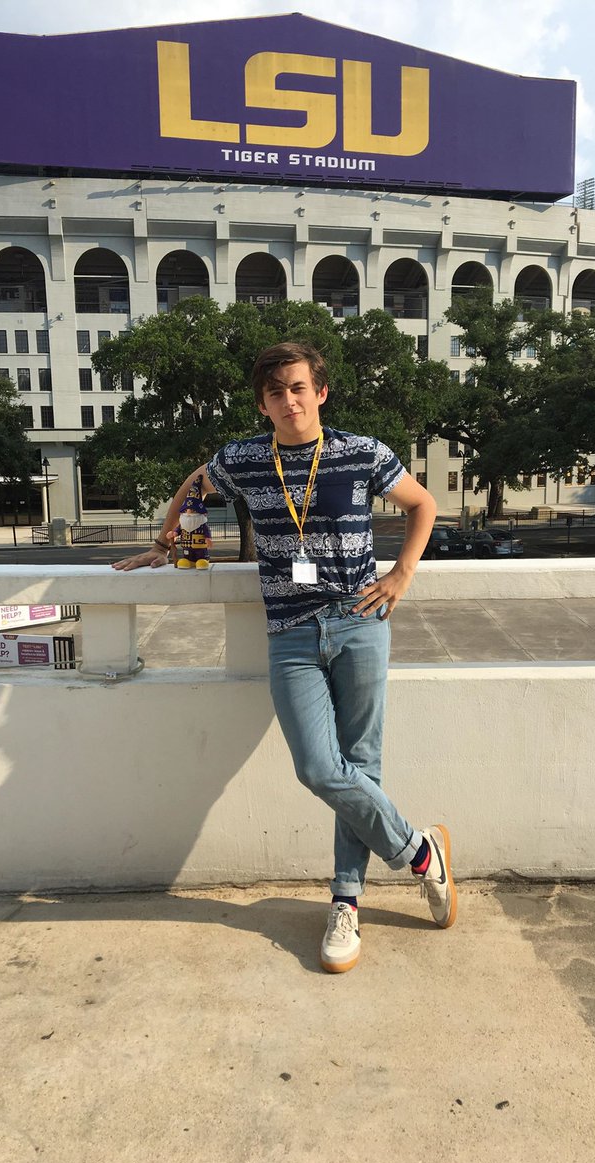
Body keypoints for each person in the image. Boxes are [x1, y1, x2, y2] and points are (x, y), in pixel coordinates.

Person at [113, 342, 457, 973]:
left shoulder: (363, 452)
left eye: (299, 388)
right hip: (291, 633)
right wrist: (167, 543)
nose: (289, 400)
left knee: (361, 763)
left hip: (360, 621)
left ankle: (345, 901)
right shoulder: (245, 458)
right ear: (263, 403)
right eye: (276, 392)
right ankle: (418, 852)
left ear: (320, 393)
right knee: (320, 769)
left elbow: (423, 505)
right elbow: (194, 487)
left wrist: (403, 573)